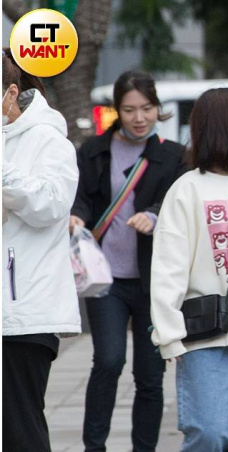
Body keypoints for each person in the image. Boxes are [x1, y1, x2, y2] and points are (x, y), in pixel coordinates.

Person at [148, 88, 228, 451]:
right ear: (222, 124)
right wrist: (169, 333)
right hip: (205, 333)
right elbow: (169, 266)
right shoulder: (187, 189)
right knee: (208, 431)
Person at [72, 70, 187, 452]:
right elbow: (81, 197)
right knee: (108, 361)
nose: (140, 118)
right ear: (116, 111)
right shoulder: (93, 150)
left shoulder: (174, 155)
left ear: (158, 108)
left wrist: (154, 215)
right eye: (130, 110)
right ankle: (94, 447)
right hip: (105, 278)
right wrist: (77, 216)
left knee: (150, 376)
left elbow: (178, 203)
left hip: (154, 281)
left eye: (147, 108)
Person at [2, 49, 81, 452]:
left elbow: (52, 203)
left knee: (19, 432)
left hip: (23, 315)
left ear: (11, 92)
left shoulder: (48, 139)